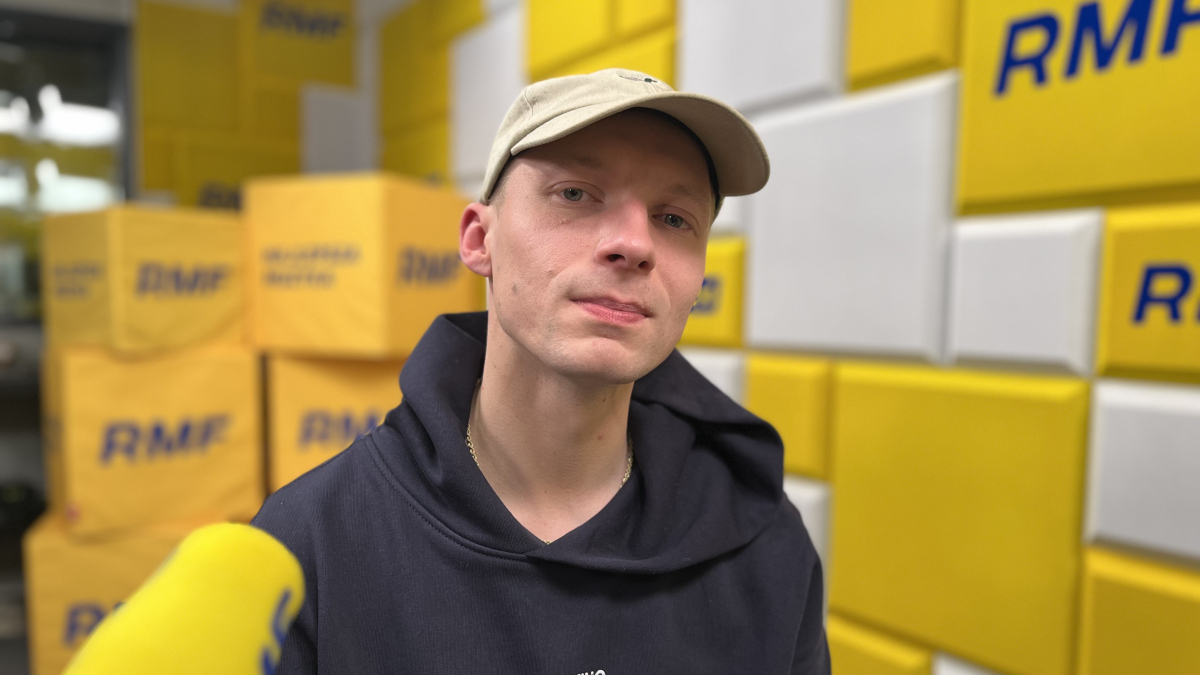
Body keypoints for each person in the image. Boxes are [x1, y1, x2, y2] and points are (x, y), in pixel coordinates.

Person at [253, 68, 830, 673]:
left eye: (674, 218)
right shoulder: (311, 544)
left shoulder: (767, 547)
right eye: (575, 194)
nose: (635, 244)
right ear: (480, 239)